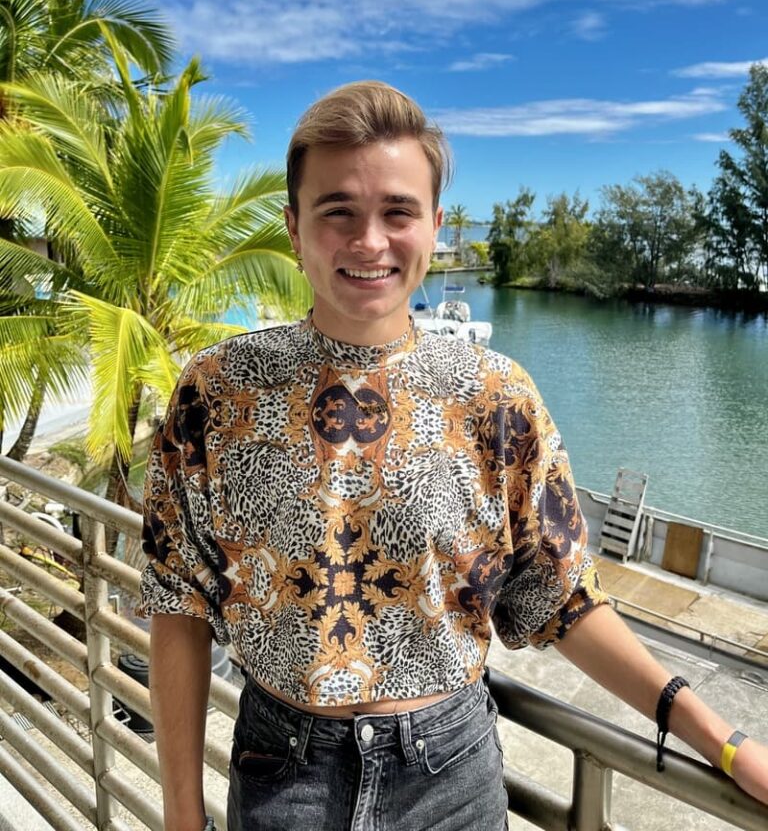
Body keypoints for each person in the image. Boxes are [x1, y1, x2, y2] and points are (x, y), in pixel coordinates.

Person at [139, 81, 768, 831]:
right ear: (294, 228)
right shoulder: (217, 392)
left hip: (450, 781)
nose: (370, 241)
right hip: (283, 776)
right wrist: (182, 814)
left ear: (435, 228)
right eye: (338, 211)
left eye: (398, 212)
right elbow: (177, 604)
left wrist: (721, 740)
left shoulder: (497, 398)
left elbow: (561, 597)